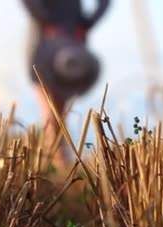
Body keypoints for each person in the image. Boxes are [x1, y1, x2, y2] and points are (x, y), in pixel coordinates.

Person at [22, 0, 111, 168]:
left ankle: (57, 164)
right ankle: (57, 164)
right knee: (51, 112)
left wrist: (87, 24)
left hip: (72, 50)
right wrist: (47, 22)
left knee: (59, 114)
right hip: (43, 45)